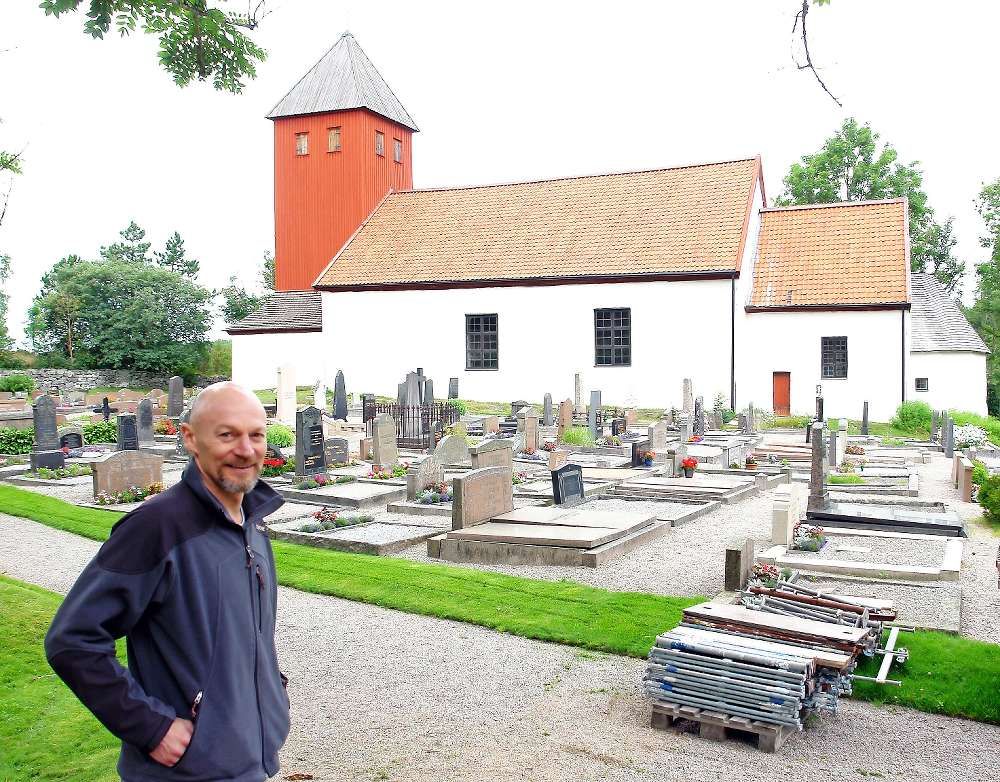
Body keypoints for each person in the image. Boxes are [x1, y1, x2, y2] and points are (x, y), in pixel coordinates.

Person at [45, 382, 290, 781]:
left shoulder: (252, 524)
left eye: (256, 435)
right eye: (227, 434)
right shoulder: (157, 528)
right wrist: (151, 727)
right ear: (191, 439)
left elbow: (247, 635)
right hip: (186, 771)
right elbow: (72, 641)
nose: (245, 449)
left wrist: (272, 694)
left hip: (250, 760)